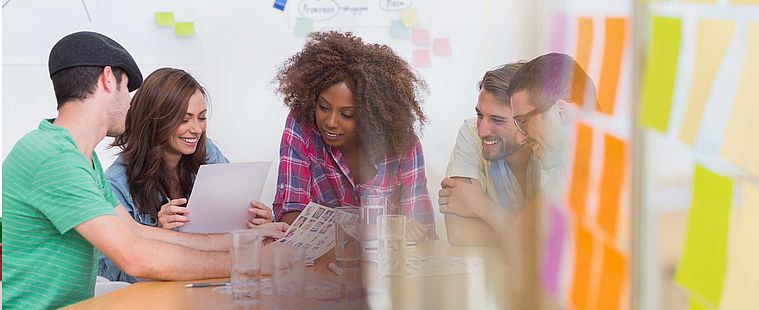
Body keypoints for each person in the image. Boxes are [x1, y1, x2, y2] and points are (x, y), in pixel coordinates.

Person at [1, 31, 286, 309]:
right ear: (108, 79)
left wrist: (246, 240)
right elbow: (134, 256)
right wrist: (255, 262)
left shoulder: (79, 157)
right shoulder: (53, 157)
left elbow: (136, 232)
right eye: (127, 89)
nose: (129, 103)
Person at [96, 68, 275, 283]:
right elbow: (119, 277)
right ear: (156, 120)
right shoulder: (116, 183)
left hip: (209, 279)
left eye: (201, 118)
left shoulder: (206, 152)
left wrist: (253, 219)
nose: (197, 129)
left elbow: (229, 226)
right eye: (184, 119)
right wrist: (160, 234)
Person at [272, 31, 436, 240]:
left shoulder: (404, 145)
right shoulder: (302, 127)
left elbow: (421, 231)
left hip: (388, 268)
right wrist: (384, 231)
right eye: (323, 107)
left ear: (372, 115)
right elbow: (290, 215)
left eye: (347, 114)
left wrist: (412, 232)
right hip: (323, 267)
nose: (330, 122)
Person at [439, 53, 587, 240]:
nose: (482, 130)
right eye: (479, 115)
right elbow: (459, 234)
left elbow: (550, 242)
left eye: (497, 120)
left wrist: (479, 205)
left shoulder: (555, 148)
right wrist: (519, 233)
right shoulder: (470, 132)